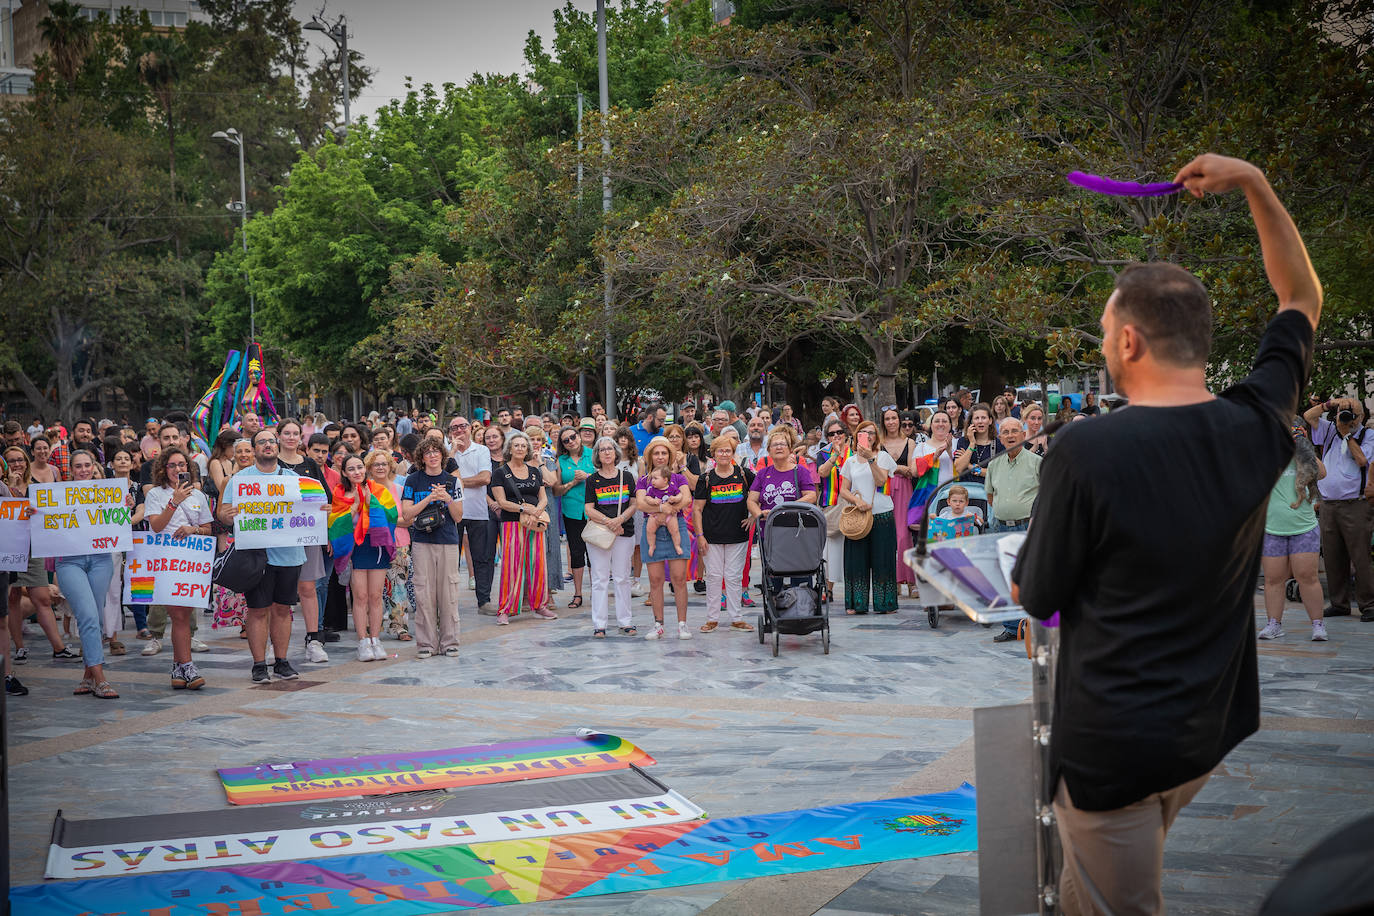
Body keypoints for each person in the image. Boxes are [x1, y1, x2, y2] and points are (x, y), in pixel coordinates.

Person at [1011, 153, 1322, 916]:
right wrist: (1253, 181)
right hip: (1204, 730)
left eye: (1106, 329)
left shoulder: (1086, 450)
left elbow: (1037, 592)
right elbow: (1301, 295)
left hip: (1114, 746)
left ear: (1129, 344)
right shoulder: (1256, 426)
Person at [216, 428, 305, 684]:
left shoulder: (293, 478)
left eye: (271, 441)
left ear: (277, 447)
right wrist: (227, 515)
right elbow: (222, 513)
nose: (267, 445)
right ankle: (258, 665)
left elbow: (310, 509)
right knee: (257, 611)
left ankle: (282, 662)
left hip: (289, 555)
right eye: (261, 442)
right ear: (254, 450)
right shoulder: (240, 480)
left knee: (283, 610)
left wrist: (320, 509)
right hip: (256, 556)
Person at [52, 448, 131, 699]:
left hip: (100, 560)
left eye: (88, 465)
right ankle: (100, 678)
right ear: (70, 470)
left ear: (94, 467)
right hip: (69, 562)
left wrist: (125, 505)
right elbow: (47, 526)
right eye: (78, 466)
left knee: (94, 617)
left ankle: (88, 676)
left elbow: (119, 521)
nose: (84, 470)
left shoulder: (108, 494)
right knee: (87, 615)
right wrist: (36, 515)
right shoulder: (57, 496)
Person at [144, 447, 214, 689]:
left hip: (192, 561)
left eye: (182, 465)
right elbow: (156, 526)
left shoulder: (199, 496)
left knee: (183, 616)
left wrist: (193, 529)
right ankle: (188, 667)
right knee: (179, 615)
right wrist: (174, 502)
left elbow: (208, 528)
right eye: (172, 465)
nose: (177, 469)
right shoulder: (155, 494)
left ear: (189, 467)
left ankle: (178, 668)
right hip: (166, 560)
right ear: (164, 469)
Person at [1302, 395, 1374, 619]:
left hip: (1356, 504)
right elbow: (1307, 416)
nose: (1346, 418)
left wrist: (1347, 434)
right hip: (1329, 504)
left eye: (1351, 413)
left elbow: (1362, 460)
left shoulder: (1368, 435)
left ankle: (1369, 604)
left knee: (1360, 555)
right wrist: (1331, 405)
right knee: (1333, 556)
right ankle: (1339, 603)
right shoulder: (1331, 429)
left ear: (1360, 416)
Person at [1257, 420, 1328, 641]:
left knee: (1307, 577)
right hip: (1272, 528)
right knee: (1273, 578)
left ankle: (1318, 625)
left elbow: (1323, 472)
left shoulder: (1303, 456)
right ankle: (1274, 624)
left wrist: (1300, 444)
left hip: (1303, 527)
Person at [330, 454, 399, 663]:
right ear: (344, 472)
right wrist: (355, 506)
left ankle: (375, 639)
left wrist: (372, 503)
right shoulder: (340, 492)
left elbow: (392, 516)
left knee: (375, 595)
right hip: (355, 548)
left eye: (359, 467)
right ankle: (362, 641)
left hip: (376, 545)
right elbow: (334, 523)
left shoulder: (378, 490)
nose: (357, 472)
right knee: (359, 596)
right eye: (351, 469)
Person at [399, 438, 463, 658]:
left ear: (442, 455)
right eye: (428, 452)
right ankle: (426, 643)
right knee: (424, 592)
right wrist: (429, 498)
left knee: (449, 592)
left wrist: (446, 498)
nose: (433, 456)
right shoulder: (412, 480)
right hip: (421, 541)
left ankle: (450, 641)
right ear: (421, 457)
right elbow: (407, 514)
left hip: (447, 540)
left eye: (437, 451)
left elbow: (459, 516)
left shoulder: (452, 481)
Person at [985, 417, 1042, 643]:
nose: (1010, 435)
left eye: (1014, 431)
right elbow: (990, 497)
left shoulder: (1036, 462)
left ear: (1023, 434)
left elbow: (1047, 495)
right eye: (1005, 432)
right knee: (1005, 578)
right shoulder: (993, 464)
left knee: (1030, 576)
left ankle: (1033, 625)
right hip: (1001, 527)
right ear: (1000, 438)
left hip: (1028, 526)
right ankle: (1011, 627)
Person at [694, 437, 756, 633]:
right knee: (713, 576)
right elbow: (697, 509)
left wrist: (753, 517)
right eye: (720, 451)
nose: (724, 454)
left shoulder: (744, 475)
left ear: (733, 453)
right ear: (713, 454)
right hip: (711, 536)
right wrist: (700, 535)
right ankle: (712, 619)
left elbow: (757, 497)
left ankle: (736, 618)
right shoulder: (705, 478)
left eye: (728, 451)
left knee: (733, 576)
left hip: (738, 534)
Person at [491, 432, 554, 625]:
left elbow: (542, 496)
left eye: (523, 446)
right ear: (509, 449)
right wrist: (522, 509)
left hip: (535, 523)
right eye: (516, 445)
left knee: (538, 564)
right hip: (512, 523)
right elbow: (501, 501)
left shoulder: (535, 471)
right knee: (512, 566)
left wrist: (537, 511)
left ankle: (540, 605)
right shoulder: (500, 473)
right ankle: (505, 608)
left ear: (528, 450)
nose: (520, 448)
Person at [838, 420, 899, 615]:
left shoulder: (883, 457)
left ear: (876, 437)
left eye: (871, 433)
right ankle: (856, 603)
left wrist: (871, 459)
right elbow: (843, 490)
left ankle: (885, 602)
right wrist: (857, 502)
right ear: (856, 437)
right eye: (863, 433)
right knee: (856, 560)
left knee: (883, 560)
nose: (868, 436)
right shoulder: (850, 461)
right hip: (858, 516)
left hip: (882, 515)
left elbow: (881, 480)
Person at [636, 436, 693, 640]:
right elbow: (641, 504)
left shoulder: (678, 478)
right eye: (656, 453)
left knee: (679, 578)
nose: (660, 456)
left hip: (675, 527)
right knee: (655, 580)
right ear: (650, 456)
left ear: (670, 456)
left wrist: (669, 510)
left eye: (664, 453)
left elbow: (686, 499)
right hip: (652, 530)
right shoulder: (644, 480)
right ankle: (658, 624)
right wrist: (662, 508)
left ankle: (682, 624)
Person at [583, 437, 638, 638]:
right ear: (597, 455)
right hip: (600, 533)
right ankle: (600, 624)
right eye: (602, 449)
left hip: (624, 532)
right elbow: (588, 508)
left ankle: (625, 621)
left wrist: (620, 520)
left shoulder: (627, 477)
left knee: (623, 577)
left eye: (609, 449)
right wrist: (610, 522)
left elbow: (634, 503)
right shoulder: (592, 480)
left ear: (616, 453)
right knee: (600, 579)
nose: (606, 452)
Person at [448, 417, 495, 613]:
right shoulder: (445, 451)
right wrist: (450, 453)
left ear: (469, 428)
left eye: (463, 426)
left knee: (482, 557)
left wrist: (457, 481)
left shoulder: (481, 450)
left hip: (478, 511)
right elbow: (441, 476)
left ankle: (484, 601)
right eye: (454, 428)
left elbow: (485, 478)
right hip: (453, 512)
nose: (459, 430)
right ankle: (448, 603)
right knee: (451, 561)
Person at [878, 407, 919, 597]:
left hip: (904, 488)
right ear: (883, 422)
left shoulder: (909, 442)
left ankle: (910, 581)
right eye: (887, 419)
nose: (891, 422)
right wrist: (897, 468)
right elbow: (879, 469)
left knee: (904, 535)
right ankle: (892, 581)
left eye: (894, 418)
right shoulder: (879, 443)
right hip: (883, 488)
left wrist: (892, 468)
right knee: (886, 535)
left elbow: (911, 470)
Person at [554, 423, 594, 609]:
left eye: (573, 437)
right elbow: (556, 490)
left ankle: (597, 591)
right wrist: (573, 482)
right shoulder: (561, 461)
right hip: (572, 511)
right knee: (577, 552)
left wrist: (588, 477)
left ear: (579, 436)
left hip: (594, 510)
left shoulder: (593, 454)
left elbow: (604, 477)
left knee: (595, 553)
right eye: (566, 440)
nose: (571, 441)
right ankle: (577, 594)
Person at [953, 403, 1001, 483]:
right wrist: (972, 443)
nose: (980, 421)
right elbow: (959, 468)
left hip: (988, 492)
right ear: (971, 421)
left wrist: (969, 466)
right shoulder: (963, 442)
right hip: (966, 491)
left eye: (983, 418)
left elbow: (997, 473)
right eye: (976, 418)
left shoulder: (998, 444)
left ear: (990, 421)